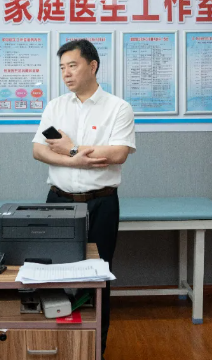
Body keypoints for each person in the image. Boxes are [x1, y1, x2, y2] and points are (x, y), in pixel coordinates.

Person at [32, 39, 136, 357]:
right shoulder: (55, 106)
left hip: (100, 203)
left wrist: (71, 148)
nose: (66, 73)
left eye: (72, 66)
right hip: (59, 201)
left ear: (92, 66)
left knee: (98, 277)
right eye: (62, 67)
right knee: (54, 274)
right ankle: (58, 346)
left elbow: (117, 153)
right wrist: (75, 159)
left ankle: (95, 349)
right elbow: (39, 151)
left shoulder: (118, 108)